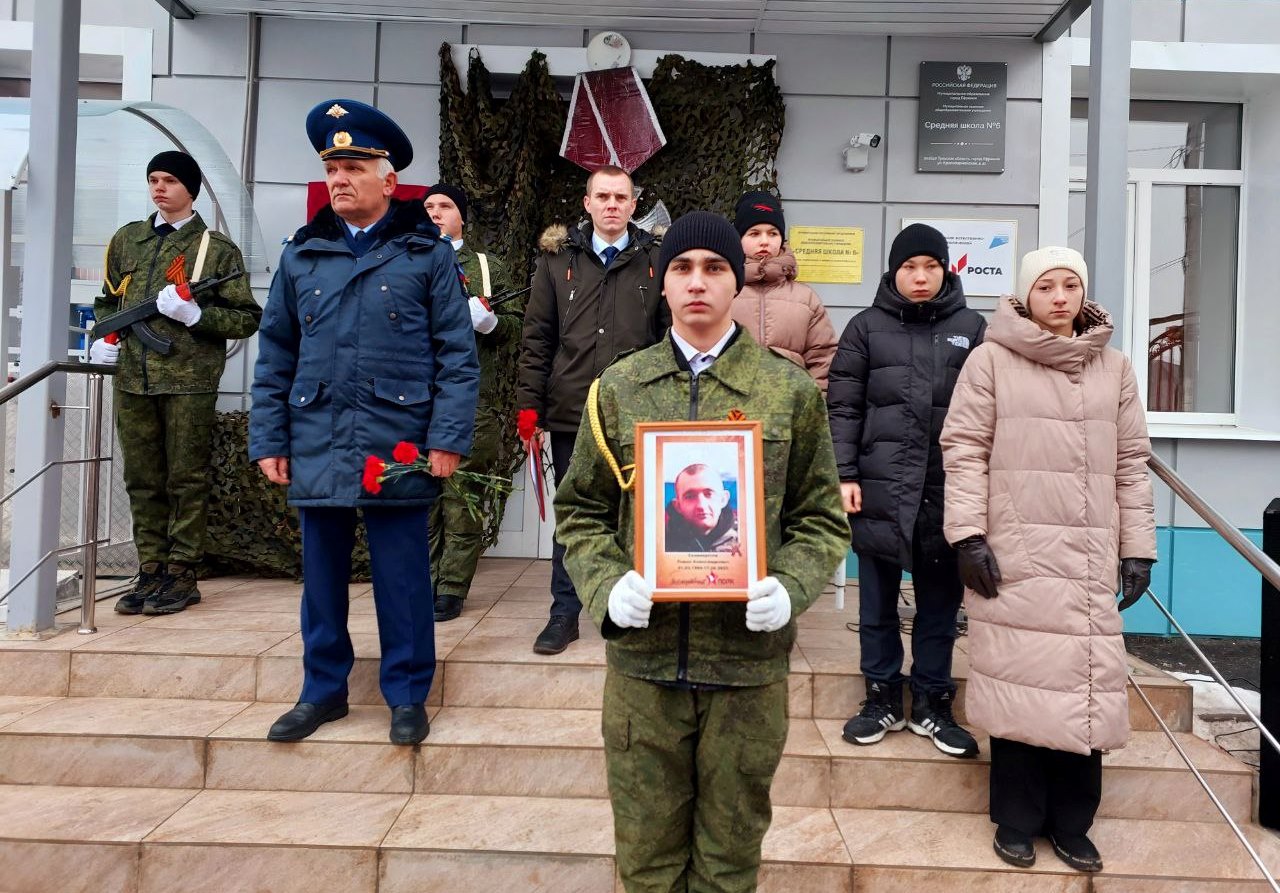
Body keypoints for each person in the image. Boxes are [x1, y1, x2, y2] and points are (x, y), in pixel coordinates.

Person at [556, 211, 848, 893]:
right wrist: (604, 587)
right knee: (648, 861)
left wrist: (791, 584)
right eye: (683, 267)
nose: (698, 283)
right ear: (661, 282)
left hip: (745, 673)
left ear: (736, 280)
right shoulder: (620, 388)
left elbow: (821, 518)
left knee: (728, 861)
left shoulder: (789, 392)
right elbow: (580, 511)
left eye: (714, 268)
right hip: (645, 671)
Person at [249, 99, 479, 745]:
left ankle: (407, 694)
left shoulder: (425, 253)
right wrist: (269, 436)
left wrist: (446, 437)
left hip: (398, 441)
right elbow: (275, 353)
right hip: (317, 434)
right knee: (320, 578)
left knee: (403, 576)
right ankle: (322, 691)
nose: (340, 178)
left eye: (353, 166)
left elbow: (457, 357)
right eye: (332, 167)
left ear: (388, 178)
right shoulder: (304, 255)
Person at [941, 247, 1156, 873]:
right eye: (1045, 286)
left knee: (1084, 687)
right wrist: (968, 537)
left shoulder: (1113, 368)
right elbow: (963, 450)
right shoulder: (990, 361)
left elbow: (1130, 464)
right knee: (1018, 681)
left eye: (1070, 285)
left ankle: (1072, 823)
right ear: (1024, 295)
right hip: (1016, 553)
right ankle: (1015, 818)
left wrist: (1137, 549)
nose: (1059, 297)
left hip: (1088, 558)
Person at [827, 223, 985, 759]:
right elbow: (844, 407)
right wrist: (845, 475)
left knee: (940, 606)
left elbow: (988, 414)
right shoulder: (865, 328)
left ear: (946, 271)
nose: (920, 277)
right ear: (893, 271)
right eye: (909, 267)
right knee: (876, 603)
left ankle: (934, 704)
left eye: (931, 267)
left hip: (945, 491)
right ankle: (881, 698)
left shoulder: (973, 328)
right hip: (878, 487)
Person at [89, 150, 261, 616]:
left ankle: (182, 572)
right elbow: (108, 301)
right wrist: (100, 337)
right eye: (153, 180)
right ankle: (150, 568)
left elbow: (247, 319)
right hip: (132, 379)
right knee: (142, 478)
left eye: (169, 180)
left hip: (189, 382)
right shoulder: (128, 240)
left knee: (185, 477)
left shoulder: (214, 249)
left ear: (191, 189)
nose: (159, 188)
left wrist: (196, 314)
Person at [517, 164, 669, 655]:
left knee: (636, 516)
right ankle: (565, 612)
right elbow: (536, 337)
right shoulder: (556, 262)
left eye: (620, 198)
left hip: (636, 415)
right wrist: (528, 406)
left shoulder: (656, 258)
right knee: (574, 516)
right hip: (570, 414)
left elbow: (670, 336)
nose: (611, 205)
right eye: (602, 196)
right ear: (587, 203)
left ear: (632, 204)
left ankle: (631, 608)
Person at [422, 183, 523, 623]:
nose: (435, 213)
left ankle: (451, 587)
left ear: (462, 216)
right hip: (415, 398)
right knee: (419, 494)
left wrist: (491, 322)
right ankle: (421, 582)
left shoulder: (486, 267)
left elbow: (519, 329)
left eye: (444, 207)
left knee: (462, 496)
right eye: (427, 207)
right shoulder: (407, 262)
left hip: (472, 399)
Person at [730, 190, 837, 392]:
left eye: (773, 233)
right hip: (733, 416)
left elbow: (823, 360)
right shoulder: (723, 293)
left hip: (789, 414)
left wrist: (811, 409)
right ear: (738, 238)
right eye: (754, 233)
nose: (765, 241)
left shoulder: (806, 299)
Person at [664, 463, 739, 553]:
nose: (701, 505)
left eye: (709, 494)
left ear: (723, 500)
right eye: (690, 496)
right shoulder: (661, 544)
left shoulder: (746, 541)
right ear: (678, 506)